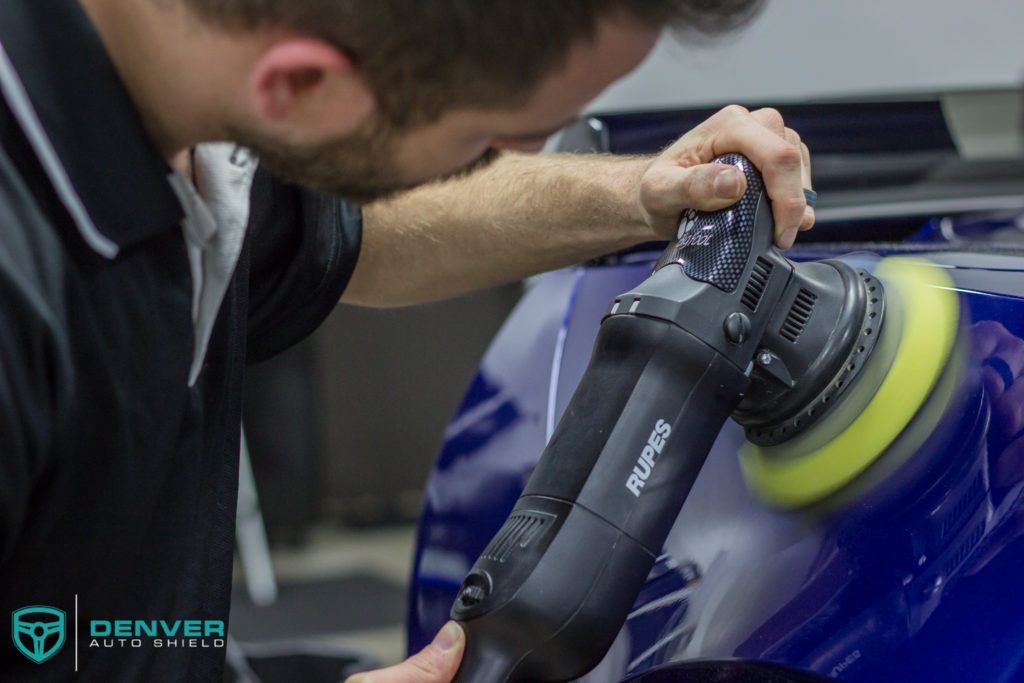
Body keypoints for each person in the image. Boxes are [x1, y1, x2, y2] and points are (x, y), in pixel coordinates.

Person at [0, 0, 814, 680]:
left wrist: (641, 194)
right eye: (485, 138)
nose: (518, 155)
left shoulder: (207, 123)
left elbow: (360, 220)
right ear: (300, 85)